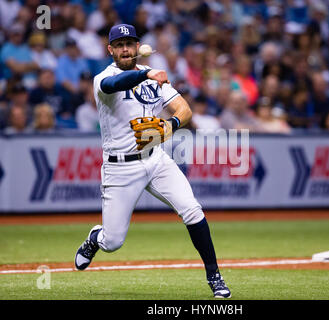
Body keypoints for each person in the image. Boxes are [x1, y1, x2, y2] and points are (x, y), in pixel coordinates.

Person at [74, 24, 231, 299]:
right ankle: (95, 238)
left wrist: (170, 124)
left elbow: (185, 109)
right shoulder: (103, 78)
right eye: (119, 44)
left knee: (192, 210)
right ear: (110, 49)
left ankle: (215, 276)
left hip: (156, 159)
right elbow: (116, 84)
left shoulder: (153, 76)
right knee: (113, 242)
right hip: (120, 167)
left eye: (129, 43)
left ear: (137, 47)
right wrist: (146, 72)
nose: (125, 48)